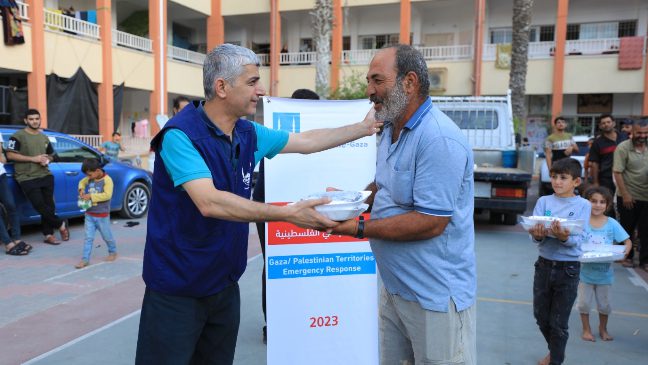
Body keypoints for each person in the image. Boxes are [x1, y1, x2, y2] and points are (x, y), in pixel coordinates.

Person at [134, 44, 381, 365]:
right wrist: (288, 214)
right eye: (252, 82)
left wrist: (362, 128)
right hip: (177, 292)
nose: (261, 90)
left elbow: (305, 142)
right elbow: (209, 202)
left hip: (223, 287)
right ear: (221, 87)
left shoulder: (247, 133)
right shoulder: (179, 136)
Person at [331, 45, 476, 365]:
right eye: (369, 81)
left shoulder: (438, 138)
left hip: (434, 298)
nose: (369, 91)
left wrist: (357, 227)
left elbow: (430, 221)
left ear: (409, 82)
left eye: (377, 80)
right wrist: (347, 203)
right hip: (396, 290)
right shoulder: (391, 131)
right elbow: (382, 186)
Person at [252, 87, 320, 344]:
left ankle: (292, 316)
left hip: (290, 204)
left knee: (285, 263)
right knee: (276, 263)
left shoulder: (302, 133)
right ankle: (274, 323)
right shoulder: (279, 133)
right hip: (270, 206)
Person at [528, 158, 591, 365]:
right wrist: (537, 234)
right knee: (541, 316)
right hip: (544, 265)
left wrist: (564, 237)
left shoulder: (583, 205)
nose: (557, 181)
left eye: (563, 177)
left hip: (568, 269)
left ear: (576, 181)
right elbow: (534, 235)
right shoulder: (543, 202)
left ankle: (555, 360)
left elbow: (578, 239)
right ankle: (555, 352)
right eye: (554, 177)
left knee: (558, 322)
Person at [6, 109, 69, 245]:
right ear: (26, 121)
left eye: (37, 119)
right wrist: (33, 159)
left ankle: (48, 235)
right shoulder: (17, 136)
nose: (34, 121)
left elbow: (52, 155)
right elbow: (10, 155)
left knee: (49, 206)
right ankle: (60, 224)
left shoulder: (43, 137)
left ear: (40, 120)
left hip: (45, 175)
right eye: (31, 119)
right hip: (26, 177)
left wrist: (48, 160)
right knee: (39, 206)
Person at [577, 186, 632, 342]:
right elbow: (572, 241)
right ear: (586, 203)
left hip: (605, 275)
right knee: (583, 304)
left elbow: (627, 241)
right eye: (593, 201)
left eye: (602, 202)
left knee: (605, 306)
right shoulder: (582, 223)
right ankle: (586, 330)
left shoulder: (612, 223)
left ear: (607, 206)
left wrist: (624, 253)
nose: (597, 205)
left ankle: (603, 329)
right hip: (584, 274)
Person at [613, 118, 648, 270]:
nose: (642, 135)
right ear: (632, 132)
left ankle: (645, 261)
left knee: (646, 230)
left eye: (645, 132)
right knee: (627, 228)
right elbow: (618, 172)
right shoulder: (623, 147)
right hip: (628, 196)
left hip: (646, 196)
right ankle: (626, 256)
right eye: (639, 132)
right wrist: (625, 194)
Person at [75, 158, 117, 269]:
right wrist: (81, 190)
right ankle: (85, 259)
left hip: (102, 216)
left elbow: (107, 195)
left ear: (98, 171)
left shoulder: (107, 180)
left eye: (89, 175)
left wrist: (91, 196)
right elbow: (81, 182)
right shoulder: (89, 179)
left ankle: (112, 252)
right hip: (89, 214)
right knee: (88, 238)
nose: (88, 177)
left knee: (107, 236)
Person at [0, 132, 30, 255]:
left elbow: (2, 156)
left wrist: (3, 157)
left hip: (1, 175)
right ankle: (8, 243)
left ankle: (17, 239)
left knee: (11, 205)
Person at [589, 114, 627, 194]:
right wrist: (595, 182)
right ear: (600, 126)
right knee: (608, 203)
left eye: (608, 122)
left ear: (613, 123)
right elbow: (595, 164)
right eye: (603, 123)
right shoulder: (597, 143)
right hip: (606, 179)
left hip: (625, 176)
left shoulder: (624, 138)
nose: (606, 124)